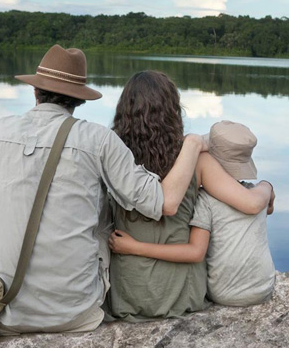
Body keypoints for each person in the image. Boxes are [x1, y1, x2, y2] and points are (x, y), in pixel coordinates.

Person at [0, 45, 211, 334]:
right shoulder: (99, 140)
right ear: (78, 100)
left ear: (35, 92)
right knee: (103, 205)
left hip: (2, 313)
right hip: (77, 313)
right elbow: (163, 203)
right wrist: (194, 143)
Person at [105, 70, 274, 322]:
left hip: (128, 292)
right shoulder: (196, 159)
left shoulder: (112, 154)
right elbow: (250, 204)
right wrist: (267, 186)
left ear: (124, 112)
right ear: (173, 110)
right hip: (182, 294)